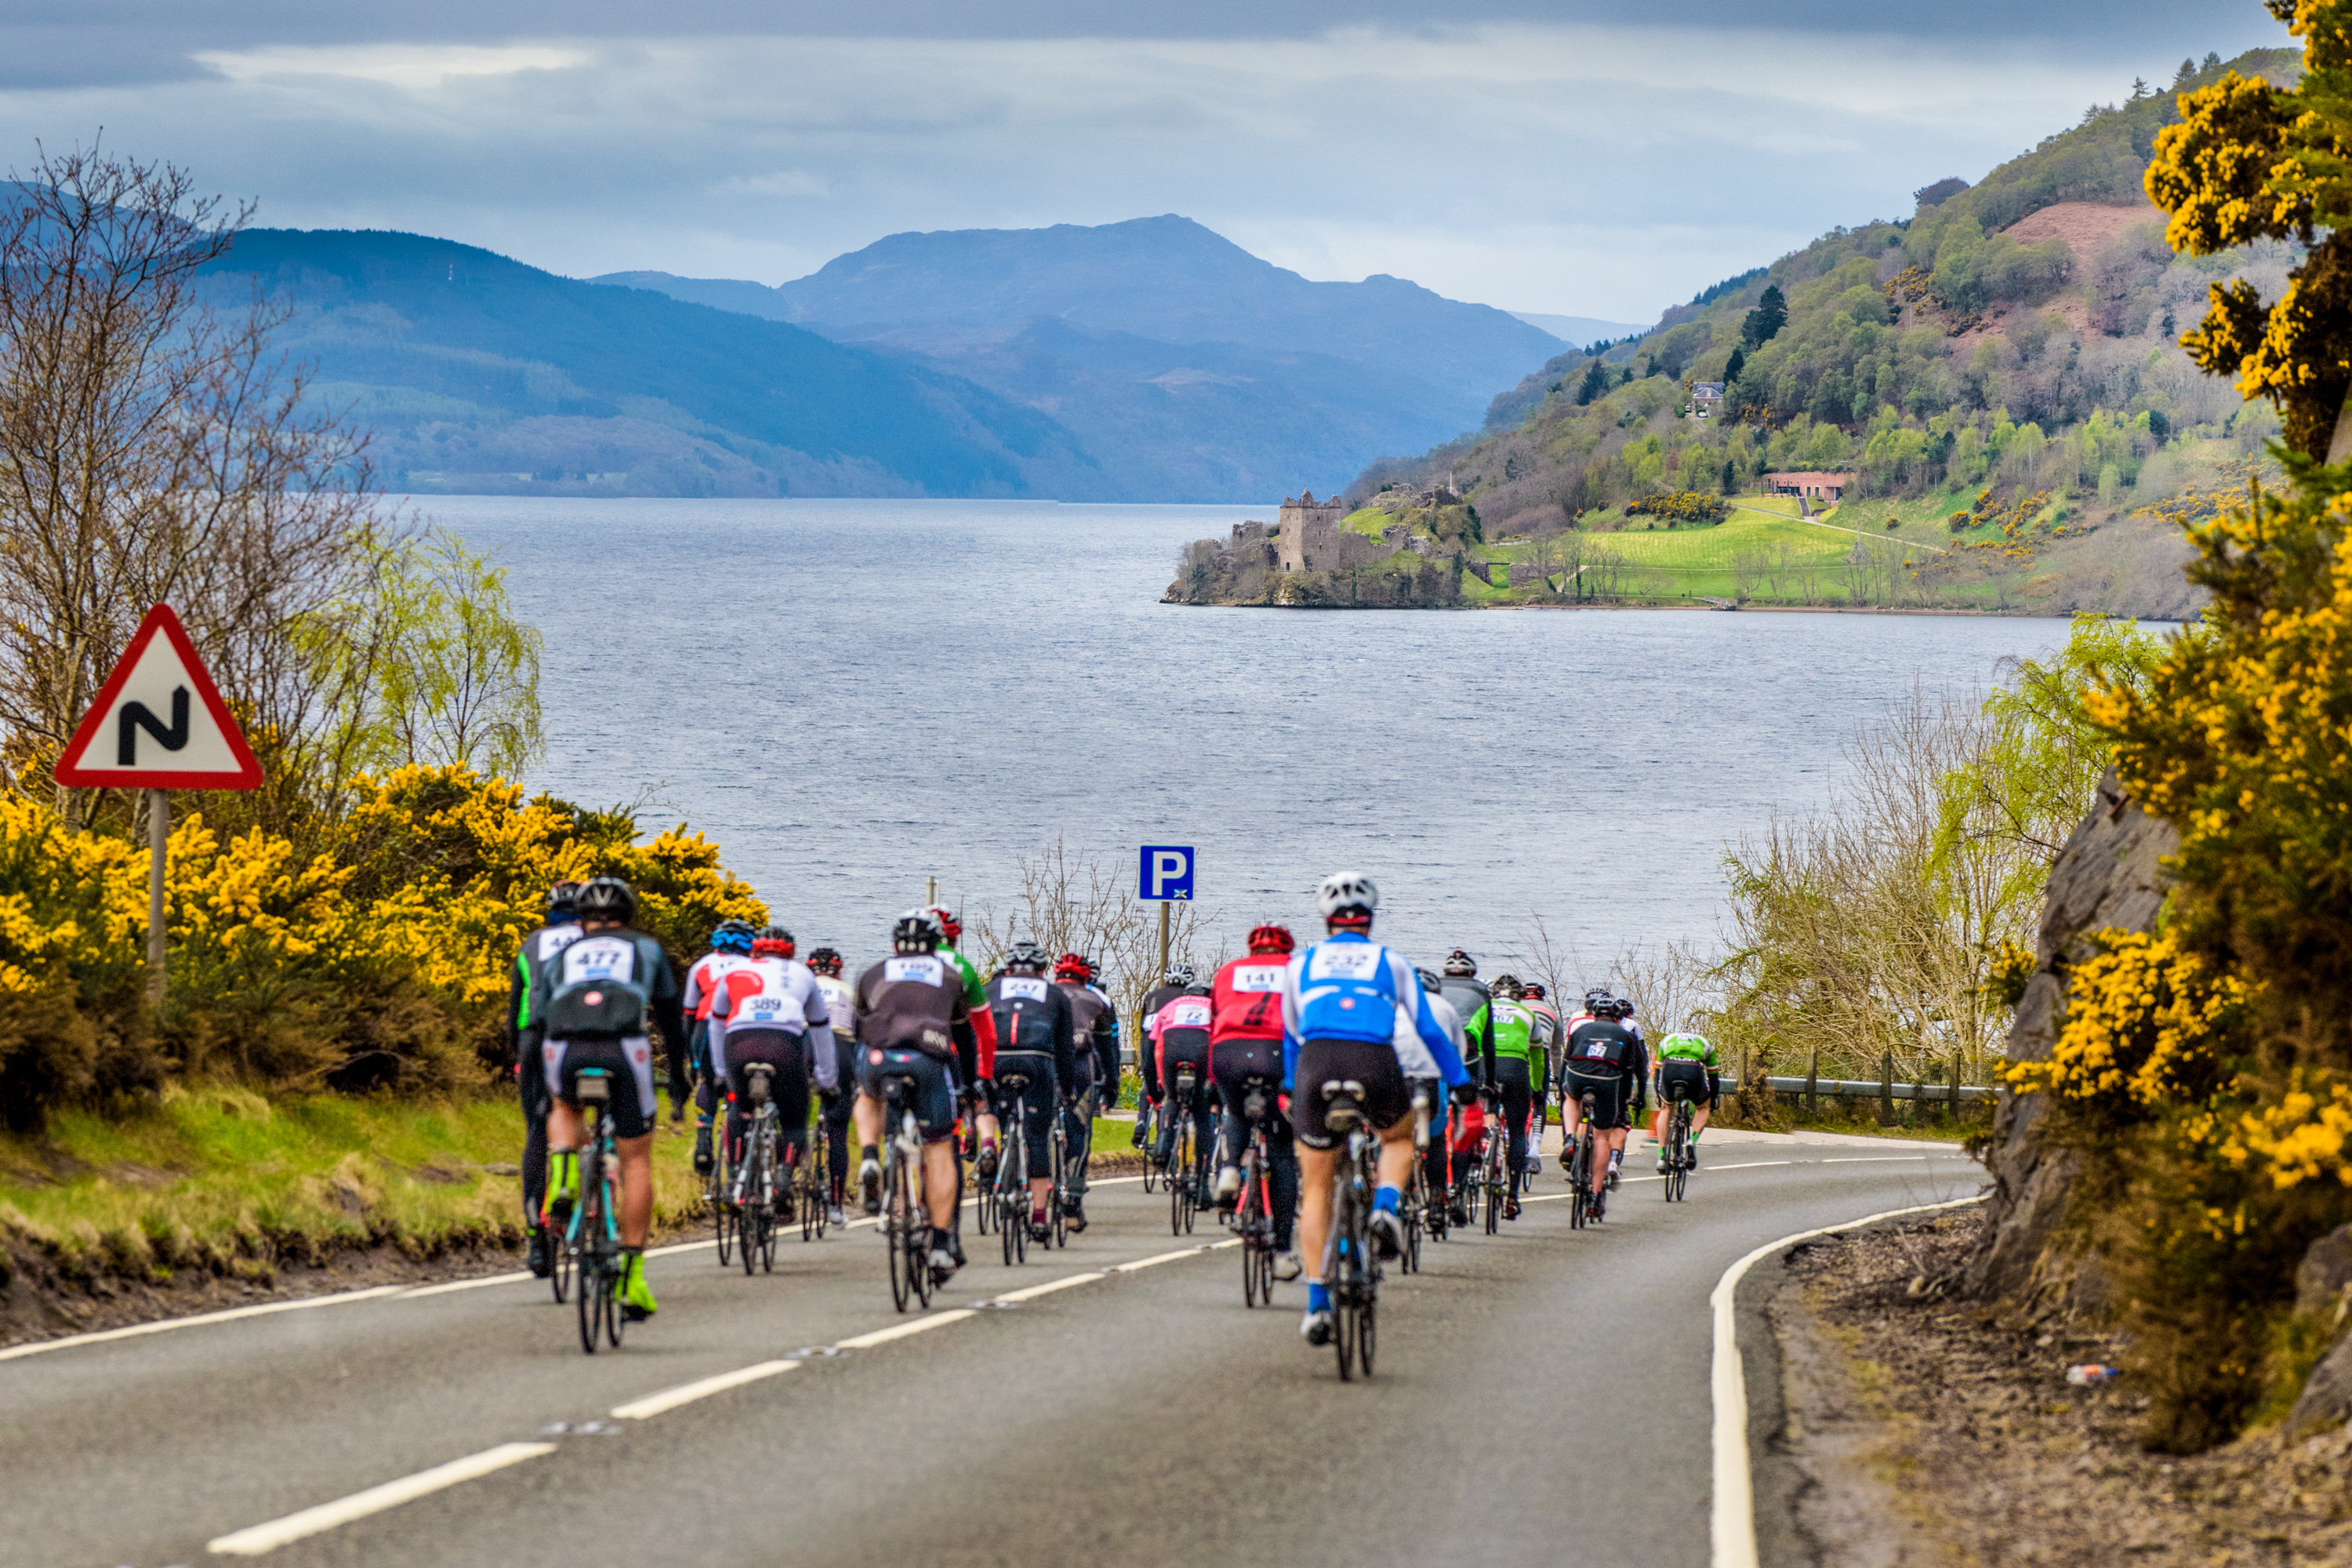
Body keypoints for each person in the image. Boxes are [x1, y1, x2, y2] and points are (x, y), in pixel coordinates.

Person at [1280, 872, 1472, 1346]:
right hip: (1374, 1061)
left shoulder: (1300, 963)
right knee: (1399, 1137)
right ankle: (1386, 1206)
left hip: (1317, 1063)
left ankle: (1317, 1305)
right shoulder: (1392, 961)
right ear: (1370, 916)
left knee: (1317, 1186)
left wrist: (1291, 1088)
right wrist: (1463, 1085)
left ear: (1325, 918)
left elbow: (1289, 1034)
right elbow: (1428, 1029)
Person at [534, 877, 688, 1321]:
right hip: (624, 1049)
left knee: (564, 1106)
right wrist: (678, 1078)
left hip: (565, 1047)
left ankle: (563, 1172)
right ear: (630, 917)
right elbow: (671, 1022)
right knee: (636, 1158)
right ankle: (633, 1277)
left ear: (582, 919)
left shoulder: (563, 953)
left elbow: (541, 1016)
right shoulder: (647, 950)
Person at [851, 909, 997, 1281]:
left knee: (867, 1097)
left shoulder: (873, 973)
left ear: (894, 946)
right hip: (929, 1060)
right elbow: (971, 1036)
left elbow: (860, 1030)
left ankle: (870, 1156)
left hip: (880, 1057)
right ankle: (939, 1243)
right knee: (938, 1146)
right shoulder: (953, 974)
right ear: (939, 946)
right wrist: (972, 1084)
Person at [705, 925, 835, 1215]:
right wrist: (828, 1079)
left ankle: (736, 1174)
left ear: (755, 950)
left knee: (739, 1108)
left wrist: (719, 1071)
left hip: (740, 1043)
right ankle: (784, 1173)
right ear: (791, 953)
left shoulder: (734, 972)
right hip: (784, 1045)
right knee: (793, 1118)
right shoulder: (803, 975)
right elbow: (821, 1030)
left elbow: (715, 1024)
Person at [1208, 924, 1303, 1279]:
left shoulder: (1228, 971)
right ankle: (1282, 1250)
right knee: (1280, 1150)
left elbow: (1214, 1017)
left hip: (1228, 1052)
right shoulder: (1298, 969)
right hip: (1276, 1051)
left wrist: (1212, 1075)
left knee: (1237, 1113)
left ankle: (1231, 1167)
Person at [507, 880, 582, 1279]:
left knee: (538, 1131)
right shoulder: (594, 943)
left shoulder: (531, 944)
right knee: (591, 1116)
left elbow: (517, 1005)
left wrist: (518, 1052)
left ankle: (537, 1235)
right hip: (587, 1036)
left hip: (535, 1039)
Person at [986, 941, 1078, 1240]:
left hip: (996, 1059)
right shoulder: (1055, 994)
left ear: (1009, 968)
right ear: (1041, 971)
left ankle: (994, 1152)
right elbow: (1065, 1050)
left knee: (998, 1120)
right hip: (1037, 1061)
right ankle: (1039, 1214)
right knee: (1036, 1136)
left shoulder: (992, 988)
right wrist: (1067, 1089)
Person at [1559, 994, 1647, 1221]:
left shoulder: (1580, 1029)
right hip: (1608, 1082)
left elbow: (1566, 1062)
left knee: (1572, 1098)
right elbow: (1634, 1072)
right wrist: (1632, 1100)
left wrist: (1566, 1087)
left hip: (1578, 1074)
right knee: (1601, 1138)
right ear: (1618, 1018)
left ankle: (1570, 1137)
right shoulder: (1626, 1036)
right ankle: (1595, 1196)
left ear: (1594, 1016)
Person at [1461, 975, 1541, 1221]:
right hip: (1517, 1068)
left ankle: (1483, 1150)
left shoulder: (1485, 1008)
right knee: (1517, 1131)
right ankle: (1513, 1197)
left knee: (1485, 1110)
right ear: (1520, 997)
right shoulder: (1529, 1014)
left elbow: (1471, 1037)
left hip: (1488, 1064)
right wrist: (1538, 1090)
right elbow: (1538, 1060)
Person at [683, 920, 757, 1176]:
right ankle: (738, 1161)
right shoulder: (754, 967)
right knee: (740, 1090)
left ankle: (704, 1137)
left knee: (709, 1081)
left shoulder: (701, 965)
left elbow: (690, 1012)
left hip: (704, 1029)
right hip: (740, 1028)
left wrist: (689, 1052)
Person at [1052, 951, 1119, 1231]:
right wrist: (1111, 1085)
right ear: (1087, 977)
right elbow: (1108, 1048)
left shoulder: (1045, 993)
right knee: (1079, 1129)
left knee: (1037, 1123)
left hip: (1047, 1061)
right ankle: (1073, 1201)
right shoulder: (1098, 999)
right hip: (1081, 1065)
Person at [1145, 969, 1218, 1197]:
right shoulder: (1214, 1007)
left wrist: (1157, 1082)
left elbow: (1153, 1042)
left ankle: (1163, 1147)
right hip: (1201, 1049)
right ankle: (1203, 1186)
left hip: (1171, 1048)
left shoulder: (1173, 1004)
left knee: (1173, 1098)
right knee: (1203, 1115)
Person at [1436, 951, 1493, 1225]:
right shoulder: (1481, 991)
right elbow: (1488, 1044)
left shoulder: (1435, 987)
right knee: (1467, 1126)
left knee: (1435, 1126)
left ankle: (1433, 1187)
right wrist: (1489, 1083)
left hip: (1432, 1059)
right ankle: (1457, 1188)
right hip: (1468, 1060)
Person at [807, 946, 858, 1226]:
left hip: (803, 1043)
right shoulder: (848, 991)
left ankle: (780, 1180)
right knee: (838, 1132)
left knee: (789, 1111)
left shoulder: (803, 985)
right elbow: (861, 1034)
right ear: (840, 971)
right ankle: (836, 1206)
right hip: (841, 1047)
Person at [1134, 964, 1196, 1154]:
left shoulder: (1151, 996)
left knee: (1151, 1086)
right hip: (1182, 1047)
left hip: (1151, 1045)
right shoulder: (1191, 999)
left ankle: (1142, 1122)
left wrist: (1143, 1064)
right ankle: (1167, 1136)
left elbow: (1144, 1032)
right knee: (1174, 1092)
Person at [1651, 1029, 1721, 1171]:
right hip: (1693, 1070)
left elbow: (1657, 1071)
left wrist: (1659, 1096)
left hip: (1670, 1069)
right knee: (1703, 1108)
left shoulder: (1667, 1040)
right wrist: (1713, 1098)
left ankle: (1662, 1156)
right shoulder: (1706, 1043)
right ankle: (1692, 1141)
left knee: (1665, 1110)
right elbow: (1713, 1077)